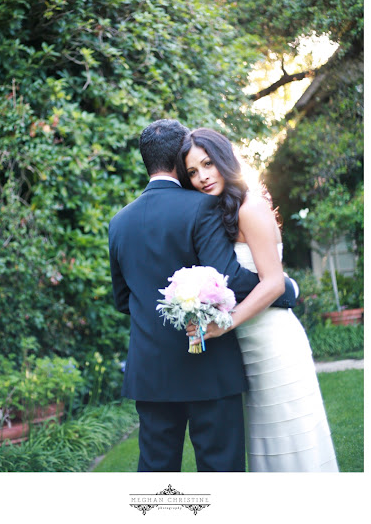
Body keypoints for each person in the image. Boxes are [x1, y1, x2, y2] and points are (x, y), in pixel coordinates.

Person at [109, 119, 297, 473]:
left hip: (150, 372)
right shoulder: (201, 206)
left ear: (146, 160)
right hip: (210, 367)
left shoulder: (118, 222)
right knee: (220, 471)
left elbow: (123, 300)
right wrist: (284, 288)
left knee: (156, 476)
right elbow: (229, 278)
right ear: (180, 159)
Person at [178, 127, 339, 472]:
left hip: (275, 343)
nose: (202, 176)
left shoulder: (250, 207)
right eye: (192, 171)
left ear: (224, 159)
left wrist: (225, 324)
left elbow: (275, 283)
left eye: (207, 164)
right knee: (267, 447)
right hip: (249, 347)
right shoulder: (223, 211)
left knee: (291, 444)